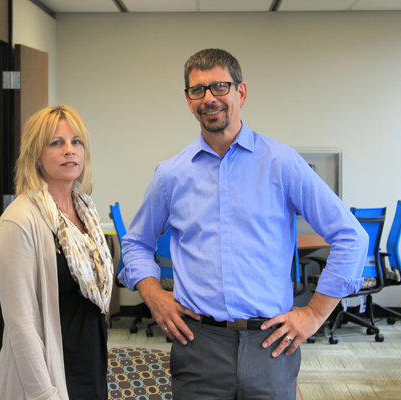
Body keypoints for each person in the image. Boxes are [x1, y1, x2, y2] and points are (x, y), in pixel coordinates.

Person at [118, 48, 368, 400]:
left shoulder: (282, 163)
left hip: (270, 344)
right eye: (198, 90)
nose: (209, 98)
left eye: (220, 86)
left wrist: (314, 314)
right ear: (188, 101)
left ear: (241, 93)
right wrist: (153, 293)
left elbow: (351, 237)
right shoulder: (170, 175)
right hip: (199, 344)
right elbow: (136, 243)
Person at [0, 105, 113, 400]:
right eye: (56, 143)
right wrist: (44, 394)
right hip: (49, 375)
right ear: (36, 156)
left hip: (89, 363)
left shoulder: (86, 211)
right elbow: (21, 326)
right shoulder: (19, 221)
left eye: (76, 142)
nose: (69, 150)